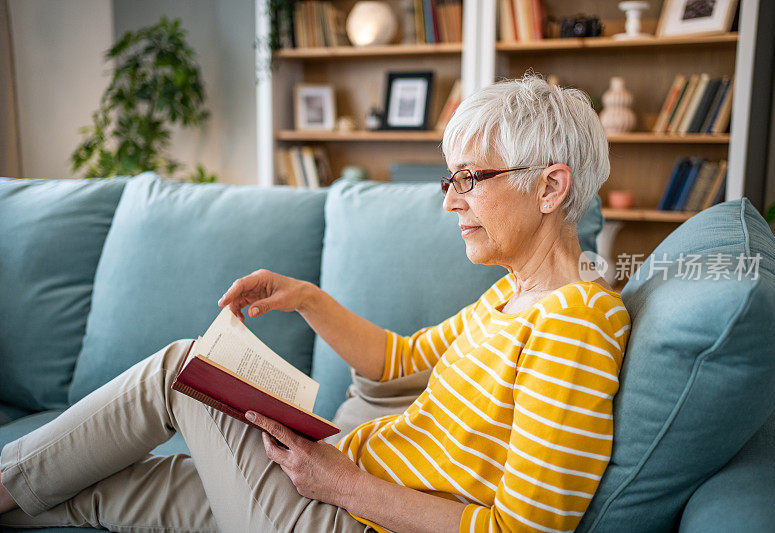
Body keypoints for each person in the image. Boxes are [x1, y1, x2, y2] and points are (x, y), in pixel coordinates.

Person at [0, 72, 630, 532]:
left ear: (549, 187)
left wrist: (343, 484)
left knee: (179, 371)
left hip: (352, 518)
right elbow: (399, 358)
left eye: (470, 179)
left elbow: (527, 531)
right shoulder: (515, 294)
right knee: (97, 493)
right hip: (329, 491)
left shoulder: (573, 322)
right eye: (450, 179)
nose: (450, 200)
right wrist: (305, 297)